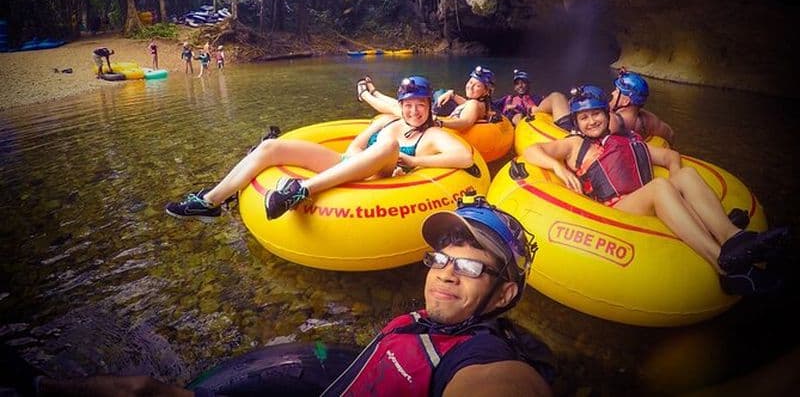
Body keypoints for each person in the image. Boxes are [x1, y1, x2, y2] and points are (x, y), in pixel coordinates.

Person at [31, 197, 554, 396]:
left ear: (504, 292)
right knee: (148, 389)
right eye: (441, 258)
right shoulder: (437, 322)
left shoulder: (485, 361)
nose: (445, 274)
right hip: (339, 380)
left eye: (469, 266)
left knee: (144, 391)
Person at [522, 85, 789, 295]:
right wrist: (559, 169)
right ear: (576, 123)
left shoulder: (628, 142)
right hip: (616, 210)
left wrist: (679, 186)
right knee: (660, 187)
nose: (591, 121)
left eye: (596, 114)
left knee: (685, 174)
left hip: (648, 200)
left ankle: (734, 237)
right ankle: (723, 262)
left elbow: (670, 157)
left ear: (607, 114)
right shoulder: (573, 145)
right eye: (584, 117)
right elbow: (532, 151)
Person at [165, 76, 475, 221]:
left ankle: (301, 190)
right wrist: (352, 158)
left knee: (390, 146)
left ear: (428, 107)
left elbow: (465, 157)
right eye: (408, 105)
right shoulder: (387, 119)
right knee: (270, 147)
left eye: (420, 105)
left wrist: (408, 157)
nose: (413, 111)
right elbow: (357, 143)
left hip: (377, 181)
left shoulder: (431, 134)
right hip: (348, 164)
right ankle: (209, 202)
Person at [535, 69, 674, 144]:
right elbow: (670, 133)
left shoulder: (612, 120)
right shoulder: (648, 120)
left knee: (556, 96)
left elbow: (589, 132)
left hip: (577, 129)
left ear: (625, 101)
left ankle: (535, 113)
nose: (613, 92)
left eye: (617, 91)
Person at [357, 66, 496, 131]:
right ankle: (375, 93)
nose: (470, 87)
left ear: (485, 91)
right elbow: (468, 105)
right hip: (437, 121)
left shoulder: (474, 105)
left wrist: (441, 123)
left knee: (397, 108)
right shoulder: (480, 104)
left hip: (433, 124)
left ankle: (365, 95)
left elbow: (465, 122)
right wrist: (452, 94)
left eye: (476, 85)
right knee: (398, 104)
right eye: (470, 82)